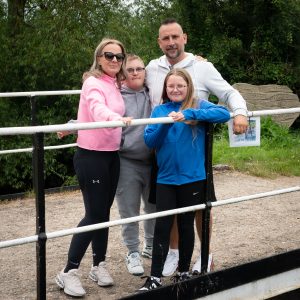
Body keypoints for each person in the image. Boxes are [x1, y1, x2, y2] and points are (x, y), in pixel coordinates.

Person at [145, 18, 249, 276]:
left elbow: (229, 94)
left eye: (175, 37)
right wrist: (94, 75)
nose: (171, 43)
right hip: (163, 149)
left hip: (195, 152)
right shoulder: (151, 67)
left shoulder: (202, 67)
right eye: (165, 38)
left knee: (201, 207)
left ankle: (205, 254)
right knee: (168, 207)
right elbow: (129, 80)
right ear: (159, 42)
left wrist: (240, 113)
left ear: (185, 38)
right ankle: (174, 253)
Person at [139, 68, 230, 291]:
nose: (176, 89)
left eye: (180, 85)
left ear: (188, 86)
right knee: (162, 226)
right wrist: (165, 123)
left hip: (192, 178)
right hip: (166, 179)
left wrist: (190, 114)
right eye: (171, 86)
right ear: (165, 88)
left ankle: (183, 272)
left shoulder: (198, 105)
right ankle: (155, 277)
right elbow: (150, 141)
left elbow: (224, 114)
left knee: (186, 225)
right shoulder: (160, 109)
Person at [55, 38, 132, 297]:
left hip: (112, 156)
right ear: (99, 57)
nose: (114, 60)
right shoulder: (92, 82)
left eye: (118, 57)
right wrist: (117, 119)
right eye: (109, 55)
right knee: (94, 215)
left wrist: (72, 122)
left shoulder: (116, 83)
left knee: (103, 213)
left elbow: (88, 112)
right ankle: (68, 272)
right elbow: (98, 110)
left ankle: (98, 265)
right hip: (91, 156)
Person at [115, 54, 156, 276]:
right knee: (129, 209)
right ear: (123, 72)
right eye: (130, 69)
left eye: (139, 69)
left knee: (153, 207)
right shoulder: (116, 96)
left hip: (152, 160)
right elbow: (93, 111)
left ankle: (150, 245)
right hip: (127, 160)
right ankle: (133, 252)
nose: (135, 73)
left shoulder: (152, 92)